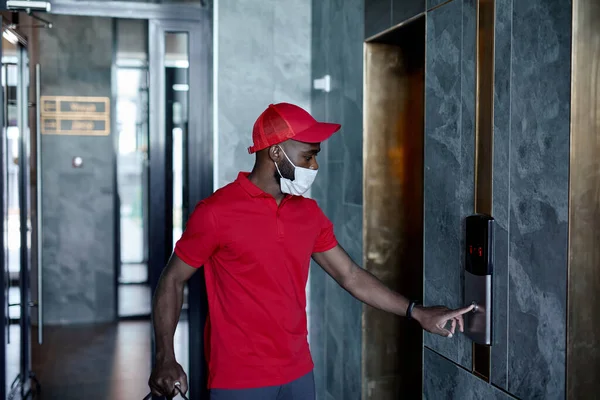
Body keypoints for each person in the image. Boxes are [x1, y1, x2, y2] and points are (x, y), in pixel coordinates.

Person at [148, 103, 474, 399]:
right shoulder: (216, 212)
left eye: (315, 155)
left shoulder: (308, 213)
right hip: (240, 377)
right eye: (308, 155)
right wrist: (165, 356)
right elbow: (173, 280)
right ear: (276, 152)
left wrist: (418, 312)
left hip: (298, 370)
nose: (314, 165)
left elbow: (350, 275)